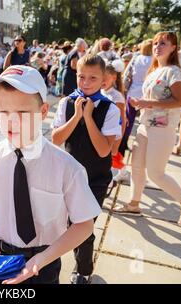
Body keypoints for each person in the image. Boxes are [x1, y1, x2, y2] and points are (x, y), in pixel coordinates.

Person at [0, 65, 101, 284]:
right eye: (3, 112)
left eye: (22, 113)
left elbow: (84, 224)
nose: (11, 121)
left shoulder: (66, 167)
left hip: (44, 263)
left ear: (43, 112)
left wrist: (42, 259)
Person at [113, 31, 181, 227]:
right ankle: (134, 204)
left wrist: (148, 102)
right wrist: (140, 104)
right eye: (155, 43)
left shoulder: (175, 72)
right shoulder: (154, 70)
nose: (157, 46)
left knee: (155, 173)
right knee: (136, 166)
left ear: (173, 48)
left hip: (163, 129)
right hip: (145, 126)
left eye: (163, 43)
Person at [52, 55, 121, 284]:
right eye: (82, 77)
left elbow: (104, 151)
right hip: (69, 176)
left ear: (104, 80)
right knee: (67, 223)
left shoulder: (110, 109)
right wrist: (77, 116)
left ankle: (83, 270)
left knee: (84, 226)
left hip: (96, 179)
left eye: (93, 78)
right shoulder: (67, 103)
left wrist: (89, 117)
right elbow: (56, 139)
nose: (86, 82)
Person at [115, 39, 153, 182]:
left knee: (128, 121)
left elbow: (127, 75)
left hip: (133, 93)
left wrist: (124, 90)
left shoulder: (137, 58)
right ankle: (145, 147)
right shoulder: (154, 60)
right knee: (146, 122)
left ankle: (123, 141)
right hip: (147, 95)